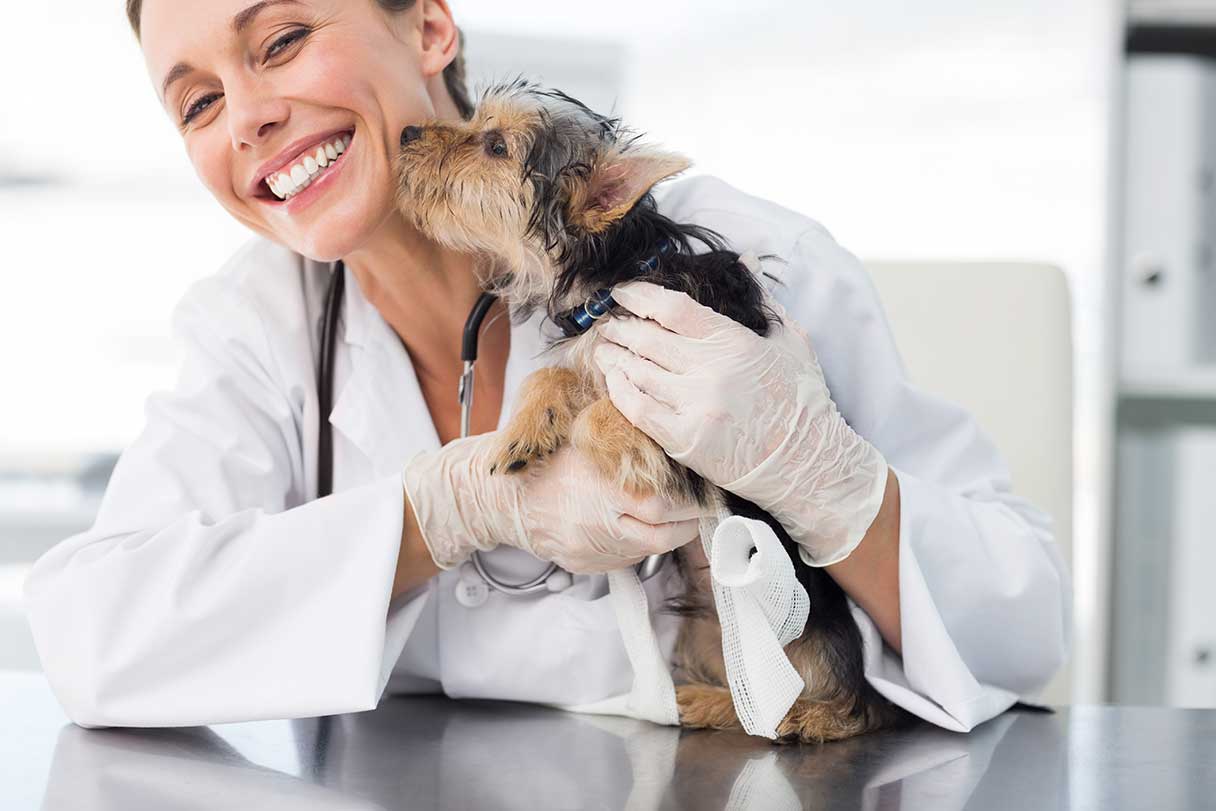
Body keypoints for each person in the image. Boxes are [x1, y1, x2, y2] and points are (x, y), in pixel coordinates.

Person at [23, 0, 1070, 731]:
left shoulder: (735, 261)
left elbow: (1023, 621)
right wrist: (441, 512)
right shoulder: (257, 329)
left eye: (283, 40)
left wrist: (826, 480)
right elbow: (91, 636)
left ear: (429, 23)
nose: (246, 114)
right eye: (197, 103)